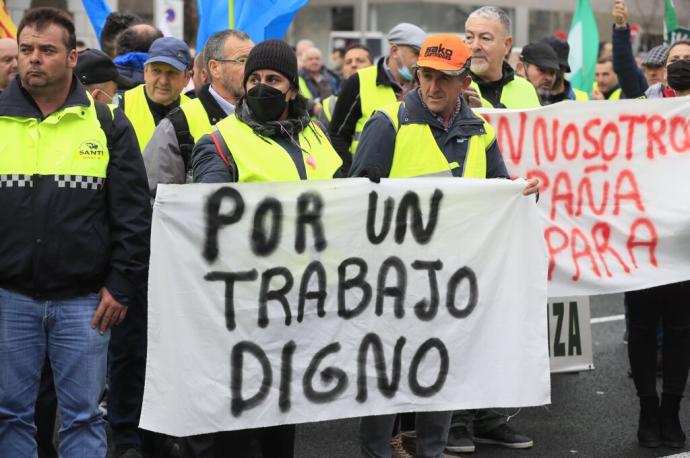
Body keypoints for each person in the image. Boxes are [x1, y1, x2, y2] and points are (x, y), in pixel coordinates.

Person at [349, 33, 539, 458]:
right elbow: (355, 201)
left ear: (464, 82)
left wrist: (519, 191)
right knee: (387, 384)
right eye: (426, 76)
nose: (433, 87)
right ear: (416, 76)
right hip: (392, 286)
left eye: (445, 79)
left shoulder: (480, 130)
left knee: (439, 379)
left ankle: (431, 452)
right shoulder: (389, 123)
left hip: (450, 284)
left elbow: (497, 189)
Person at [0, 7, 150, 458]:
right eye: (26, 50)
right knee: (10, 416)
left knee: (84, 417)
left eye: (47, 50)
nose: (33, 60)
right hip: (9, 299)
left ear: (72, 57)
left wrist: (121, 287)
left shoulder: (107, 124)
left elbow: (132, 216)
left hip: (86, 303)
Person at [189, 39, 342, 458]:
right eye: (254, 78)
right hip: (243, 309)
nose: (262, 87)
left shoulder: (314, 135)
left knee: (281, 420)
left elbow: (345, 200)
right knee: (237, 426)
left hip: (301, 305)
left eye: (273, 79)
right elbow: (206, 219)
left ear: (291, 88)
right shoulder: (220, 141)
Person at [144, 29, 253, 197]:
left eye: (253, 60)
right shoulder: (178, 124)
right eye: (242, 61)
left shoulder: (269, 117)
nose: (252, 69)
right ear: (215, 68)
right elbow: (158, 200)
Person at [329, 22, 426, 172]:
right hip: (366, 183)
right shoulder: (358, 81)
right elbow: (337, 135)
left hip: (408, 182)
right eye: (416, 54)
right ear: (394, 51)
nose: (421, 61)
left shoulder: (425, 85)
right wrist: (350, 175)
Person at [122, 36, 192, 152]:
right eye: (156, 71)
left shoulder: (196, 111)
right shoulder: (120, 106)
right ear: (145, 71)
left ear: (187, 78)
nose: (163, 81)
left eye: (172, 73)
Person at [463, 6, 541, 109]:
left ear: (506, 45)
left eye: (485, 38)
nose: (475, 46)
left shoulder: (526, 89)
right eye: (469, 37)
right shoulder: (452, 89)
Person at [319, 44, 374, 128]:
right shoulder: (330, 104)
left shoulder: (388, 97)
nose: (353, 65)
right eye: (348, 62)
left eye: (360, 61)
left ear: (373, 67)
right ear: (343, 70)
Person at [610, 0, 648, 98]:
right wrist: (621, 26)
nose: (653, 72)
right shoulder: (643, 91)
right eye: (650, 67)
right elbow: (624, 65)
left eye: (658, 67)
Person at [539, 36, 589, 103]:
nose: (547, 76)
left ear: (563, 68)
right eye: (542, 68)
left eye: (552, 69)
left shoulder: (581, 99)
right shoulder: (528, 96)